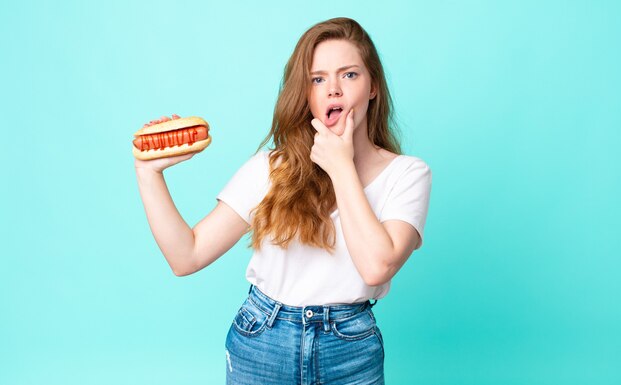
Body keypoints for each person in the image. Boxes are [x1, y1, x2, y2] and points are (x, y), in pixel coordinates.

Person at [135, 17, 432, 385]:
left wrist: (341, 167)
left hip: (349, 347)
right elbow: (186, 256)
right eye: (318, 79)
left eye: (349, 75)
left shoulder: (408, 174)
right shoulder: (270, 169)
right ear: (306, 94)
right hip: (263, 340)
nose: (333, 90)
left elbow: (377, 267)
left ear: (373, 87)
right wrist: (149, 174)